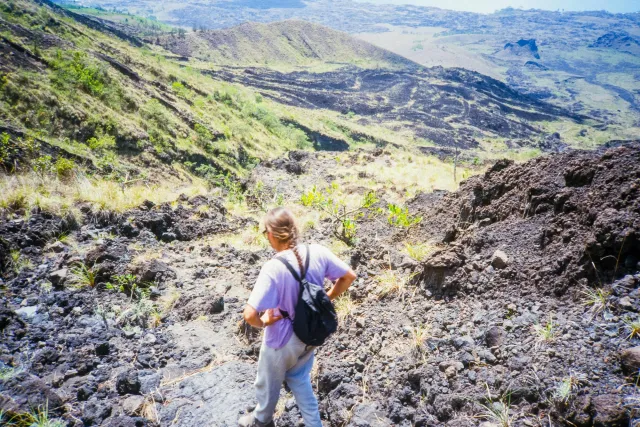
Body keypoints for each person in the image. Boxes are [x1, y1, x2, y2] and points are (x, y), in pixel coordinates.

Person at [239, 207, 357, 427]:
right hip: (310, 334)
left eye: (266, 233)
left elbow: (249, 314)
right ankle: (314, 424)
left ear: (272, 234)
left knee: (267, 383)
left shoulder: (273, 267)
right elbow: (349, 276)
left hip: (281, 341)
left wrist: (263, 322)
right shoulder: (317, 252)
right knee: (300, 379)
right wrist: (326, 298)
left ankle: (261, 420)